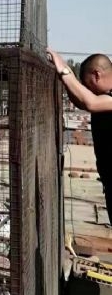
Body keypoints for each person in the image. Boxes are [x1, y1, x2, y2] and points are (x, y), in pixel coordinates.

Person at [48, 49, 112, 224]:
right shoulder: (105, 97)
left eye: (87, 84)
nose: (87, 89)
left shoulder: (102, 100)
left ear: (96, 75)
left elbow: (90, 102)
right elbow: (82, 101)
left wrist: (64, 70)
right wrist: (64, 75)